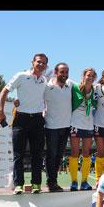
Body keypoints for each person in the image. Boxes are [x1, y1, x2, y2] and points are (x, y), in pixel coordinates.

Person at [0, 53, 48, 194]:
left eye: (44, 63)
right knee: (18, 154)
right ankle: (18, 185)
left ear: (46, 66)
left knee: (37, 154)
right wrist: (0, 110)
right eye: (39, 62)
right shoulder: (21, 75)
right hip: (21, 119)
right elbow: (4, 91)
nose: (41, 65)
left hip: (37, 120)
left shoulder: (44, 80)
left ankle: (36, 184)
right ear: (32, 62)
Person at [43, 62, 73, 192]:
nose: (64, 75)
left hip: (66, 127)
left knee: (59, 156)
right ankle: (51, 182)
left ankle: (53, 182)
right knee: (51, 155)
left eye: (66, 72)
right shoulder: (47, 86)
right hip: (51, 127)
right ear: (56, 72)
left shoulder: (70, 85)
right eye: (62, 72)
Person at [69, 68, 98, 191]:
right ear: (83, 76)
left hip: (88, 124)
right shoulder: (74, 87)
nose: (90, 78)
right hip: (75, 123)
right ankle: (74, 181)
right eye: (88, 75)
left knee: (86, 153)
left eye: (92, 76)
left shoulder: (95, 90)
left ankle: (84, 181)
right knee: (75, 152)